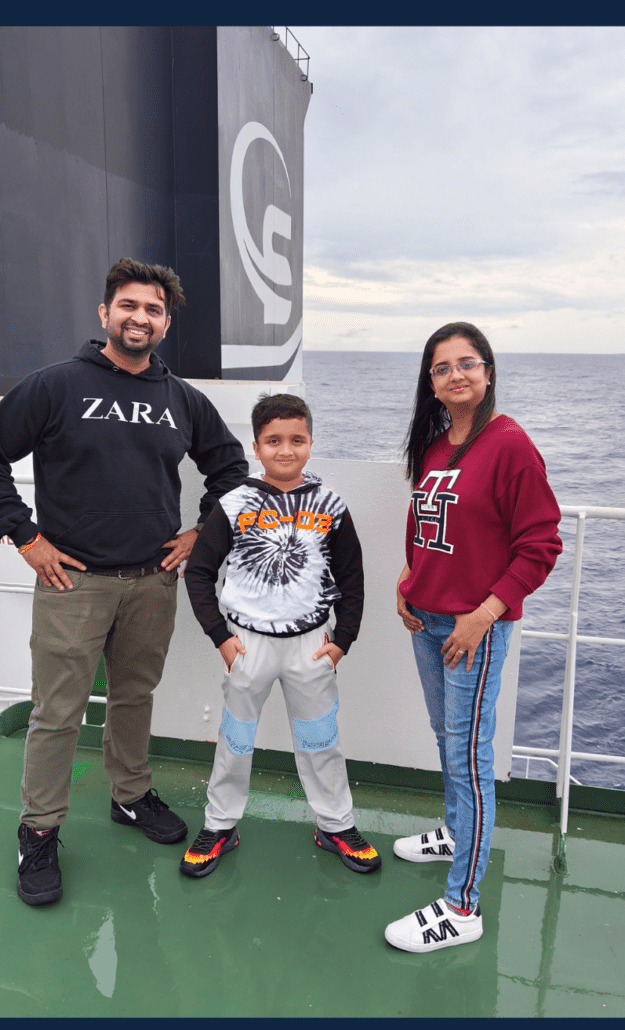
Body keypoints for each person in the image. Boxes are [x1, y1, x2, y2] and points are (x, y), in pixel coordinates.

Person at [0, 258, 249, 907]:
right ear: (104, 314)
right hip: (74, 584)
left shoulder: (181, 399)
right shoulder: (57, 386)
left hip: (152, 582)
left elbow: (229, 464)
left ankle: (130, 795)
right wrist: (26, 538)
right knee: (56, 713)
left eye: (152, 310)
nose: (139, 318)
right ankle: (38, 831)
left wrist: (203, 532)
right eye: (128, 306)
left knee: (134, 696)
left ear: (166, 324)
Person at [384, 322, 563, 953]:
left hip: (471, 629)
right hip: (429, 619)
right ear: (430, 383)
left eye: (468, 363)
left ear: (487, 371)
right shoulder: (434, 446)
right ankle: (460, 834)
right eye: (442, 367)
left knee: (468, 758)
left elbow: (541, 544)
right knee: (447, 739)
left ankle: (462, 906)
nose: (456, 375)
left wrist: (485, 613)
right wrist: (408, 579)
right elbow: (429, 524)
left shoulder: (510, 445)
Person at [180, 394, 376, 878]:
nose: (285, 450)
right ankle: (220, 824)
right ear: (256, 446)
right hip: (248, 644)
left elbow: (352, 576)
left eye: (296, 440)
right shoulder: (235, 503)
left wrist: (342, 639)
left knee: (320, 740)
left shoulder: (330, 504)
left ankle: (335, 824)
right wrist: (221, 638)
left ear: (310, 443)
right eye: (273, 441)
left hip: (312, 646)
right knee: (235, 740)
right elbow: (199, 573)